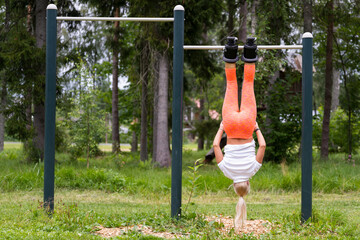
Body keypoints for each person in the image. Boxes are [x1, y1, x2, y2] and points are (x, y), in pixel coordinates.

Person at [212, 36, 266, 232]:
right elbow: (216, 145)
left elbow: (262, 146)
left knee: (249, 83)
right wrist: (221, 127)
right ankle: (230, 48)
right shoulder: (227, 172)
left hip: (247, 126)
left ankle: (250, 48)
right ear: (234, 186)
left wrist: (256, 127)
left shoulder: (252, 170)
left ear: (248, 184)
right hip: (230, 126)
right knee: (231, 84)